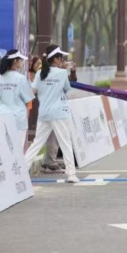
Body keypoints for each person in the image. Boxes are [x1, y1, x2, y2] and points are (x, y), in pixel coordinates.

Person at [24, 45, 80, 183]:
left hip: (44, 113)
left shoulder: (39, 73)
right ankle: (71, 174)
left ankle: (22, 170)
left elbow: (33, 91)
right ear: (55, 59)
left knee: (37, 143)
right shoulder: (61, 73)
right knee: (65, 143)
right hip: (59, 113)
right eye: (61, 57)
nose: (62, 60)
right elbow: (66, 88)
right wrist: (67, 71)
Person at [0, 50, 35, 149]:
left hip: (2, 116)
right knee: (17, 149)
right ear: (15, 61)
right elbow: (28, 99)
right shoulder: (21, 78)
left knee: (5, 149)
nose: (22, 62)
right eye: (21, 60)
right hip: (18, 118)